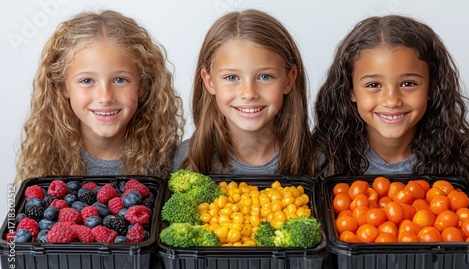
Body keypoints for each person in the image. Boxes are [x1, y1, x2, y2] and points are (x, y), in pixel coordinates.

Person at [313, 15, 469, 227]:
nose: (392, 100)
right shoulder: (322, 158)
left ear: (432, 87)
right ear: (350, 90)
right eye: (373, 85)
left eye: (408, 83)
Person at [14, 9, 184, 182]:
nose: (105, 97)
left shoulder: (170, 162)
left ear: (142, 85)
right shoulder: (44, 161)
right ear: (63, 87)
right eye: (87, 81)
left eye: (120, 79)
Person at [173, 9, 315, 175]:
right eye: (232, 77)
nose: (249, 93)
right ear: (209, 82)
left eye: (264, 76)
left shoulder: (318, 160)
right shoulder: (185, 160)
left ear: (289, 80)